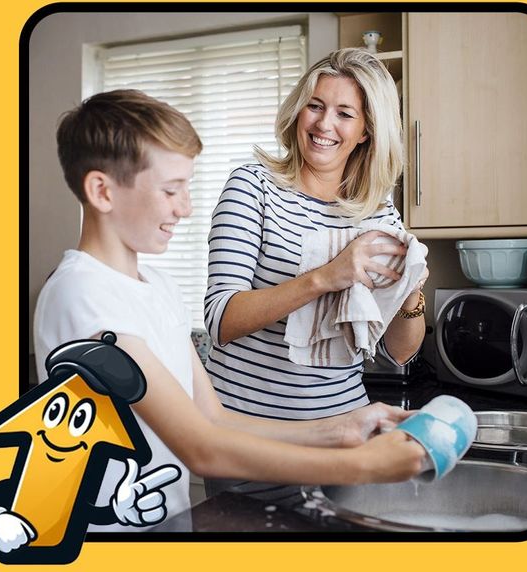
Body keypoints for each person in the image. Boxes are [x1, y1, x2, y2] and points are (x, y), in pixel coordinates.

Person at [33, 89, 425, 533]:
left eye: (187, 187)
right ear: (102, 191)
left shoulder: (156, 287)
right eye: (170, 189)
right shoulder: (82, 294)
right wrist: (364, 468)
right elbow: (202, 448)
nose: (186, 207)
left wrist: (343, 429)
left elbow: (213, 418)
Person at [204, 48, 429, 421]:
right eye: (315, 106)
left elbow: (398, 353)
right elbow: (220, 320)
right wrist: (325, 278)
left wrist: (411, 292)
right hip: (247, 434)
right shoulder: (253, 187)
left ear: (366, 131)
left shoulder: (379, 213)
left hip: (343, 429)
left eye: (344, 114)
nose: (324, 124)